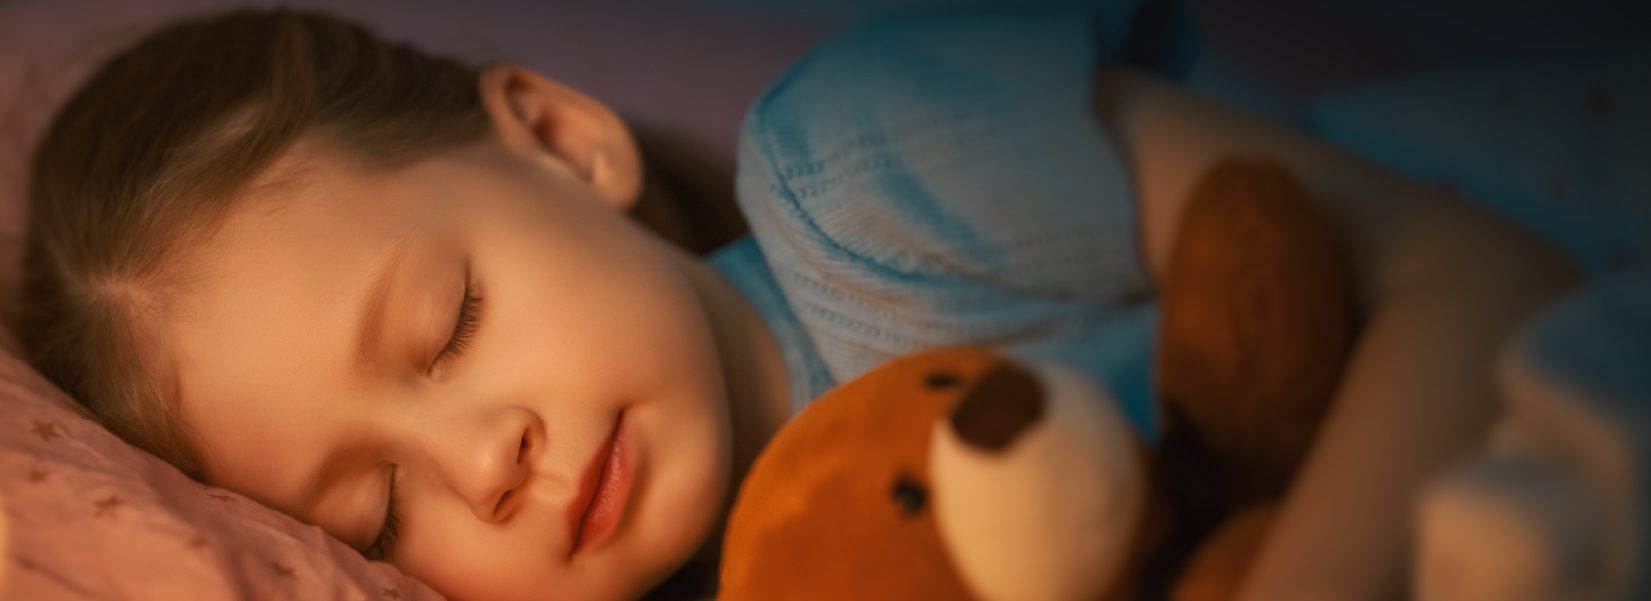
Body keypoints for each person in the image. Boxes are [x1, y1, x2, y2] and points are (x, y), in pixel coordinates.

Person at [17, 5, 1578, 601]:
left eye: (448, 325)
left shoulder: (868, 172)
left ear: (563, 142)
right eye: (372, 517)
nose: (482, 462)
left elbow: (1483, 275)